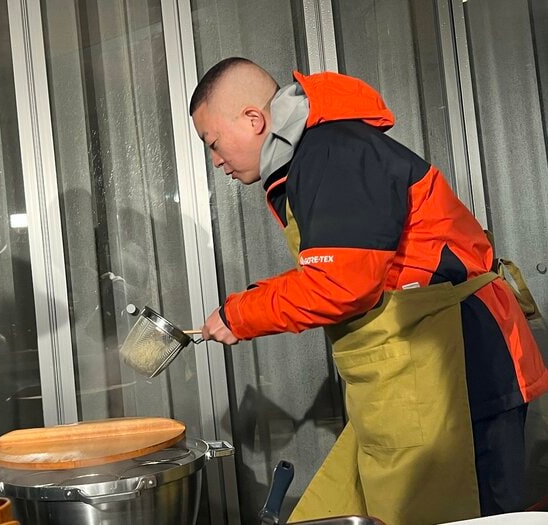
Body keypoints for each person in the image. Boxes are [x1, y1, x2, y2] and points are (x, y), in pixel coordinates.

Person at [190, 57, 548, 525]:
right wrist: (238, 308)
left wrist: (240, 315)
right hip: (421, 371)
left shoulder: (334, 153)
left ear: (254, 119)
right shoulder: (315, 156)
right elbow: (339, 270)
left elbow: (339, 286)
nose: (216, 161)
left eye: (213, 143)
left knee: (472, 512)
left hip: (460, 368)